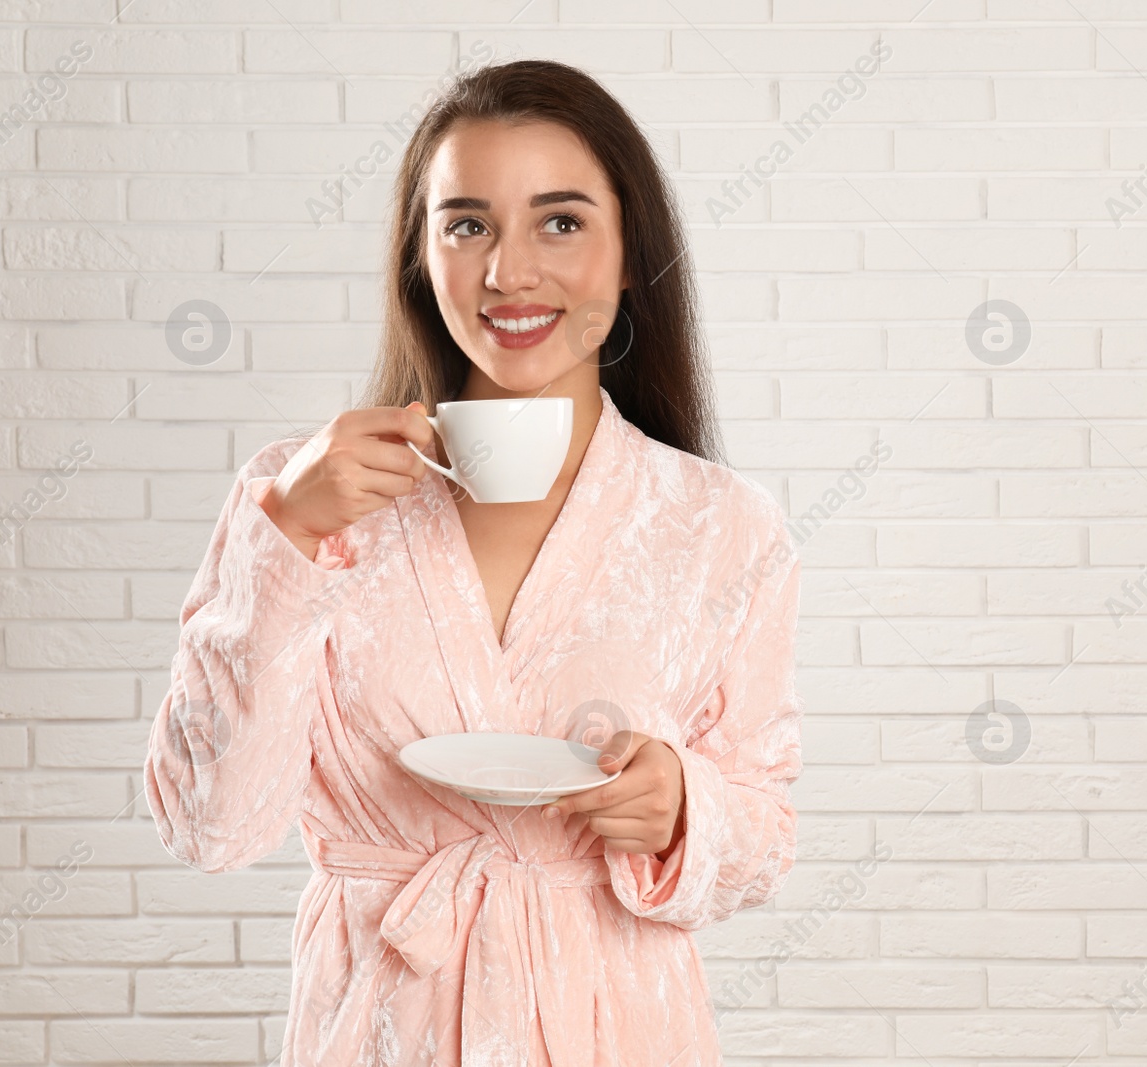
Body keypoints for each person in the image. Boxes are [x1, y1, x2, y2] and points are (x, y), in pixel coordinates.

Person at [143, 59, 803, 1067]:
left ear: (631, 254)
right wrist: (280, 542)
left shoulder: (720, 524)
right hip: (375, 1030)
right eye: (466, 225)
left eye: (561, 221)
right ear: (419, 256)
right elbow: (210, 826)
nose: (509, 272)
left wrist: (683, 806)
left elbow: (762, 829)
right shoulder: (297, 498)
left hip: (619, 1030)